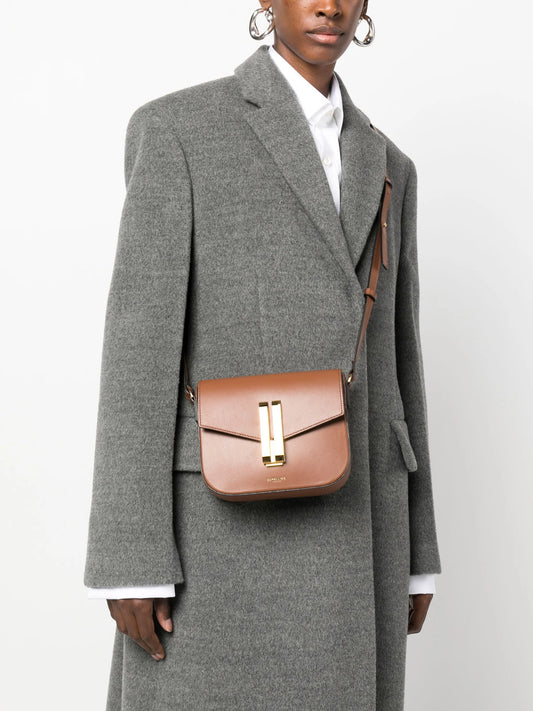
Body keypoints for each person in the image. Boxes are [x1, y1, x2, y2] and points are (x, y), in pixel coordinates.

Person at [84, 1, 442, 709]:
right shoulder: (179, 130)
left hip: (362, 520)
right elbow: (137, 352)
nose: (330, 6)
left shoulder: (389, 164)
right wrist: (128, 558)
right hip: (215, 530)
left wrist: (418, 551)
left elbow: (399, 360)